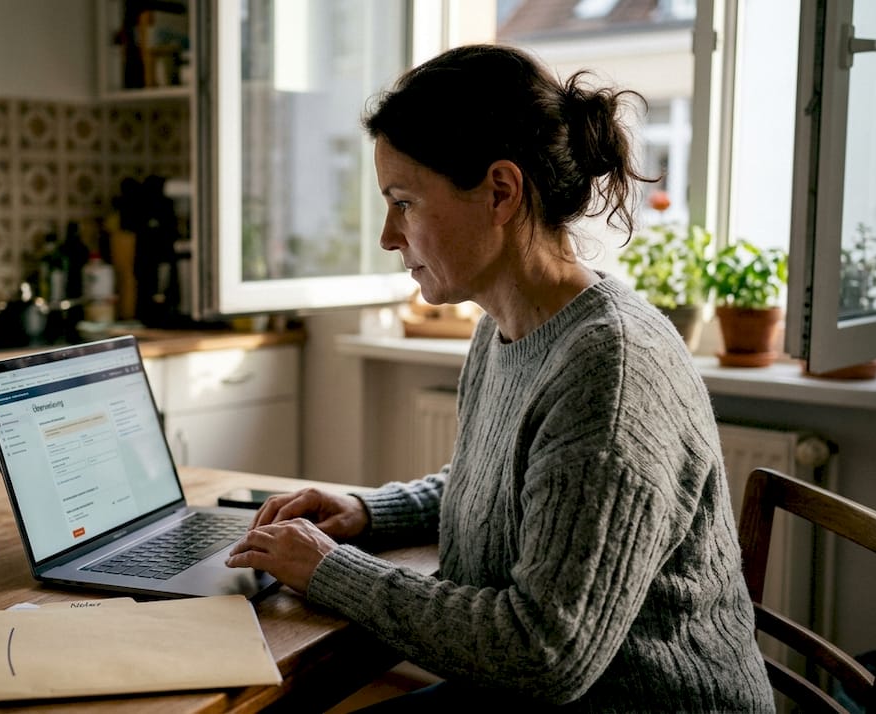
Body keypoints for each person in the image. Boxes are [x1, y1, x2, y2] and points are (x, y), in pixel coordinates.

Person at [225, 44, 774, 711]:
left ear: (501, 192)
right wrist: (369, 511)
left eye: (404, 202)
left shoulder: (610, 371)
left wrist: (331, 571)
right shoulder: (509, 324)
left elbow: (546, 653)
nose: (387, 237)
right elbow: (512, 483)